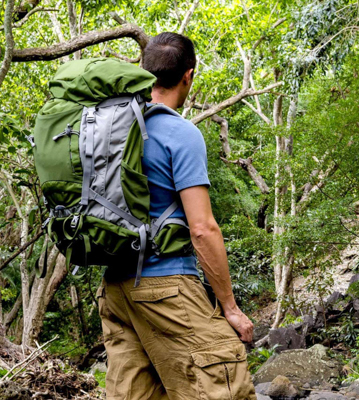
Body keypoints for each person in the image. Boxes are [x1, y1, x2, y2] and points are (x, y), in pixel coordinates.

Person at [97, 32, 257, 400]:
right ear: (189, 75)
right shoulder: (180, 133)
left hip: (116, 290)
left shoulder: (112, 129)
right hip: (166, 285)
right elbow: (202, 229)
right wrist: (229, 308)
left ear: (145, 72)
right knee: (222, 384)